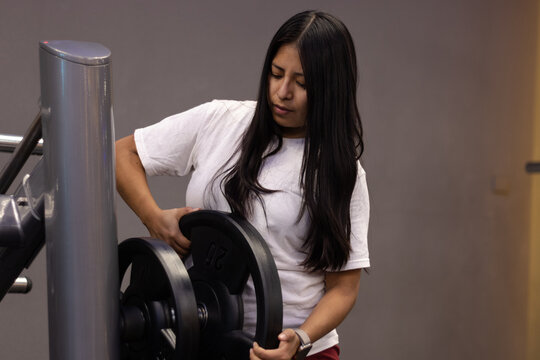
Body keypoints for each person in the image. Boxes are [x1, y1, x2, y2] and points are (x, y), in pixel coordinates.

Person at [115, 10, 370, 360]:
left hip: (288, 352)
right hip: (200, 339)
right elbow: (122, 154)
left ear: (330, 89)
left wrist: (300, 338)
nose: (282, 92)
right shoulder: (222, 121)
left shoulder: (342, 172)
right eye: (276, 73)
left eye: (303, 83)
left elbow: (343, 289)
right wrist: (153, 218)